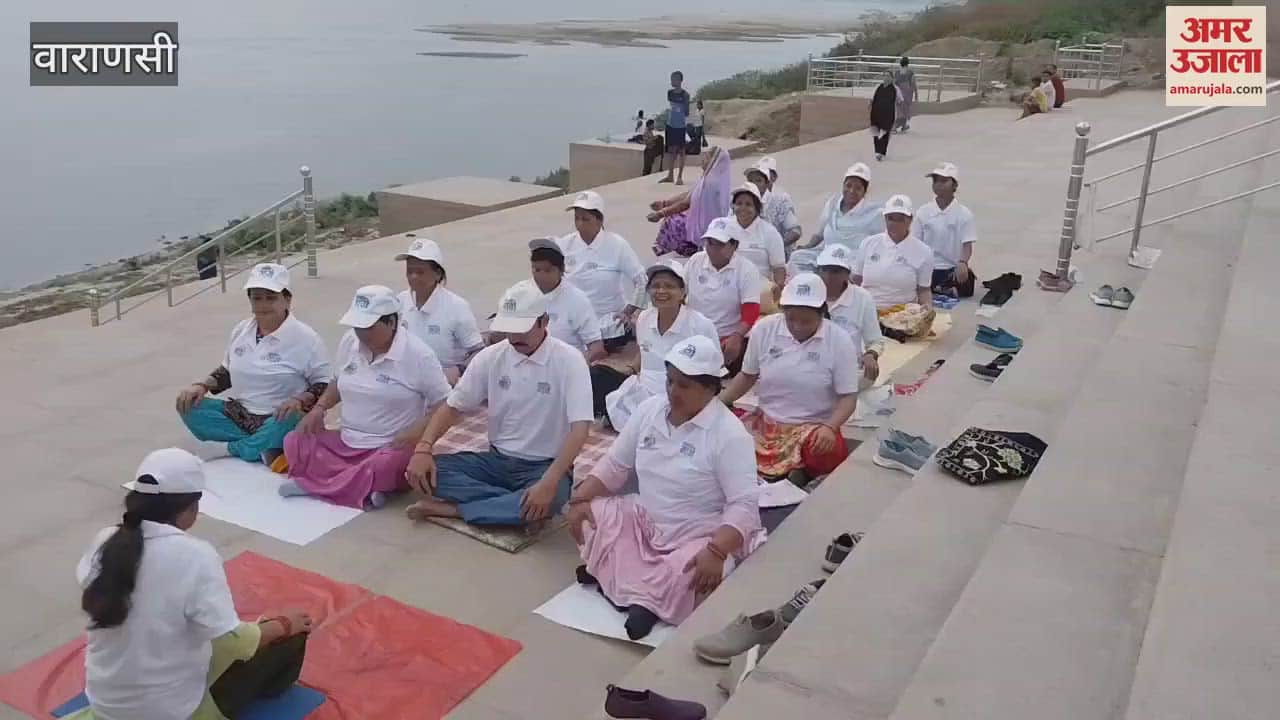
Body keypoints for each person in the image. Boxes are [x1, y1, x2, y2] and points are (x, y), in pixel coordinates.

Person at [74, 449, 311, 720]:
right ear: (191, 508)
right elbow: (233, 641)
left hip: (106, 706)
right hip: (173, 712)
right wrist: (282, 624)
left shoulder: (105, 540)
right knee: (288, 637)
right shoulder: (196, 556)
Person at [568, 336, 764, 639]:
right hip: (646, 518)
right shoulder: (649, 410)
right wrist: (579, 498)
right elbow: (616, 465)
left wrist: (716, 550)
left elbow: (744, 505)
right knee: (590, 516)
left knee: (694, 573)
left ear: (712, 389)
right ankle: (636, 594)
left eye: (685, 385)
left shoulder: (729, 435)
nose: (673, 392)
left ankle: (636, 600)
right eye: (670, 381)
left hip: (696, 532)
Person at [405, 281, 593, 527]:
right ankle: (511, 506)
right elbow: (453, 407)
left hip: (544, 466)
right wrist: (423, 448)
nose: (514, 338)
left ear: (544, 321)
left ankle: (456, 510)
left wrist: (549, 481)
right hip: (496, 461)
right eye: (509, 330)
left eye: (522, 330)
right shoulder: (491, 357)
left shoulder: (570, 361)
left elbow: (580, 429)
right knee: (427, 472)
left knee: (554, 497)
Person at [281, 286, 451, 509]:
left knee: (385, 464)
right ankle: (363, 488)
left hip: (389, 445)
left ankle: (319, 486)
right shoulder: (350, 342)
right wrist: (319, 409)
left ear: (391, 322)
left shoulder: (419, 355)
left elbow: (445, 404)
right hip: (347, 440)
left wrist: (415, 433)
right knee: (294, 440)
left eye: (368, 327)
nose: (361, 334)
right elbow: (337, 382)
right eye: (357, 327)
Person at [176, 263, 331, 466]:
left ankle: (230, 448)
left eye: (271, 297)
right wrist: (202, 386)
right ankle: (264, 449)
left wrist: (300, 400)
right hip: (240, 415)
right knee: (188, 406)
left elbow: (325, 384)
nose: (263, 305)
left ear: (287, 299)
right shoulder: (241, 330)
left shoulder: (307, 339)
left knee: (293, 418)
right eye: (257, 298)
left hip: (280, 418)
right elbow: (228, 371)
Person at [720, 274, 860, 486]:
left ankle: (799, 471)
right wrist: (716, 404)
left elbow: (848, 397)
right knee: (726, 437)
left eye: (806, 321)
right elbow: (747, 376)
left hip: (813, 427)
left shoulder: (839, 340)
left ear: (821, 313)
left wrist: (830, 427)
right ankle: (788, 472)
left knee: (824, 450)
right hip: (769, 423)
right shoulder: (765, 329)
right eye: (791, 319)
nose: (797, 326)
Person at [604, 260, 719, 431]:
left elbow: (714, 372)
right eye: (655, 286)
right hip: (643, 394)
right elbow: (644, 355)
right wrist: (630, 370)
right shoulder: (644, 318)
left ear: (682, 292)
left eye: (669, 286)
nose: (661, 291)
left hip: (682, 396)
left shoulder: (701, 325)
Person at [558, 191, 646, 352]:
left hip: (607, 318)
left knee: (608, 335)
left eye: (586, 219)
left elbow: (642, 280)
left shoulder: (617, 245)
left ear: (599, 221)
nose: (580, 224)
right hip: (573, 317)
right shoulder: (565, 244)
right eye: (576, 218)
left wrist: (628, 312)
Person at [395, 237, 484, 385]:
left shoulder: (457, 307)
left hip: (445, 387)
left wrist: (458, 370)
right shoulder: (399, 302)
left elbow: (479, 352)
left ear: (437, 274)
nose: (413, 277)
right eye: (410, 271)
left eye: (420, 272)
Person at [684, 218, 763, 375]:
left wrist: (737, 336)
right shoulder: (695, 261)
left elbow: (751, 311)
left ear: (734, 246)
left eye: (720, 244)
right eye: (709, 243)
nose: (713, 249)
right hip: (694, 335)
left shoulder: (746, 269)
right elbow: (679, 293)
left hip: (727, 339)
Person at [789, 163, 884, 275]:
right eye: (848, 186)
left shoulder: (875, 213)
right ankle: (815, 284)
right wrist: (807, 246)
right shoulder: (832, 203)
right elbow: (820, 234)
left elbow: (882, 244)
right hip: (826, 254)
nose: (852, 191)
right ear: (843, 185)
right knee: (796, 257)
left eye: (858, 188)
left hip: (851, 262)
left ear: (864, 192)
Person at [524, 237, 606, 362]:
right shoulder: (523, 294)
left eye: (548, 270)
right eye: (536, 270)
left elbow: (596, 349)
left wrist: (573, 368)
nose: (541, 276)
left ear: (561, 270)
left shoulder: (577, 300)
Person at [814, 245, 885, 389]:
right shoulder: (809, 294)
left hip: (848, 367)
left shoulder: (862, 298)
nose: (828, 277)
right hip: (812, 364)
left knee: (865, 376)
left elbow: (876, 341)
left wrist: (871, 355)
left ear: (847, 274)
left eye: (835, 271)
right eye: (824, 270)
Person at [649, 144, 733, 257]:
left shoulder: (710, 183)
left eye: (706, 157)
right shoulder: (716, 179)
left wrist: (660, 214)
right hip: (713, 225)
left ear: (713, 161)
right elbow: (689, 194)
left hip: (705, 227)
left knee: (673, 221)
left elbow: (685, 203)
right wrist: (664, 203)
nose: (703, 160)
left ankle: (688, 247)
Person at [853, 194, 934, 310]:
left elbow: (924, 290)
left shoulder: (924, 252)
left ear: (910, 219)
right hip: (867, 309)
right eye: (890, 218)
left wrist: (928, 307)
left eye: (900, 219)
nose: (894, 224)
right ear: (884, 218)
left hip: (903, 313)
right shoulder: (868, 243)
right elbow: (856, 280)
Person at [915, 162, 978, 298]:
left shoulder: (964, 214)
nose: (938, 184)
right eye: (935, 181)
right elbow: (916, 243)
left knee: (967, 284)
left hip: (951, 267)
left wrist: (963, 262)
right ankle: (939, 289)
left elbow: (967, 245)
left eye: (944, 181)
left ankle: (939, 288)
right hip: (928, 267)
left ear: (954, 185)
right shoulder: (923, 212)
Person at [728, 182, 787, 312]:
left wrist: (779, 287)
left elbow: (779, 268)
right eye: (739, 203)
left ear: (757, 208)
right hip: (727, 283)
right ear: (733, 206)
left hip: (758, 287)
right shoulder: (723, 227)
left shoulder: (769, 232)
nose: (743, 208)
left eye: (748, 204)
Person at [745, 158, 802, 254]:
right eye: (750, 181)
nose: (754, 185)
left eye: (758, 181)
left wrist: (776, 246)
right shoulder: (740, 200)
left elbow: (795, 231)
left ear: (767, 183)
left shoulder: (780, 200)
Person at [661, 70, 692, 185]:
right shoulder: (670, 93)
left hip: (680, 126)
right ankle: (670, 175)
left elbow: (687, 112)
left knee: (681, 150)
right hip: (671, 124)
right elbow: (671, 106)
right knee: (671, 150)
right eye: (671, 79)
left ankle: (680, 176)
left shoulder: (685, 95)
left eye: (674, 79)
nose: (672, 81)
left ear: (679, 80)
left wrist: (681, 109)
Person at [870, 72, 897, 161]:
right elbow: (874, 98)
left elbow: (897, 101)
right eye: (884, 76)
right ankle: (877, 151)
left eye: (888, 76)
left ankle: (882, 152)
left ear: (892, 78)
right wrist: (871, 103)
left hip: (887, 115)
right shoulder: (879, 87)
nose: (886, 77)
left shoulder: (894, 89)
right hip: (876, 113)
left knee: (884, 133)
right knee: (876, 133)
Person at [893, 56, 919, 133]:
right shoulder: (910, 72)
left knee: (900, 110)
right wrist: (916, 93)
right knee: (905, 110)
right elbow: (913, 83)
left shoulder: (897, 72)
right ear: (908, 63)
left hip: (899, 93)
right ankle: (895, 127)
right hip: (907, 93)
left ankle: (903, 125)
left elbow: (895, 83)